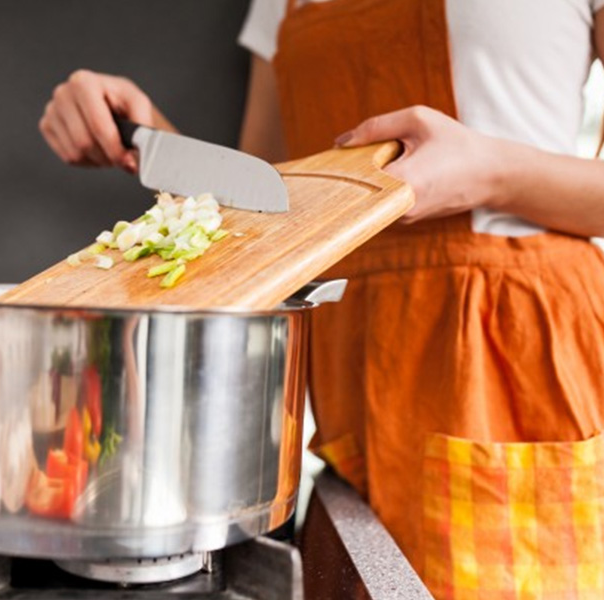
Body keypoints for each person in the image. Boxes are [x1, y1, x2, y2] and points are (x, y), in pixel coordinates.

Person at [39, 0, 604, 597]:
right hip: (349, 384)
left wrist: (494, 172)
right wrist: (142, 132)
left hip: (517, 372)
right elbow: (269, 206)